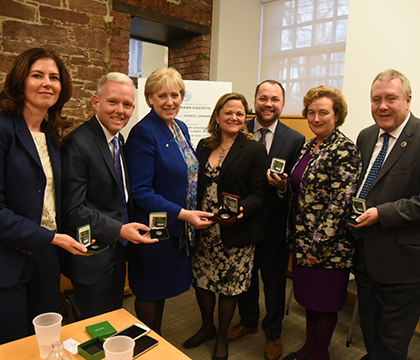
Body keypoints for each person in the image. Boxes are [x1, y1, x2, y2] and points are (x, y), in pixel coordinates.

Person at [0, 48, 89, 347]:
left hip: (43, 262)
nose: (47, 83)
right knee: (13, 351)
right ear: (19, 81)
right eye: (37, 75)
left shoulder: (52, 137)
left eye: (54, 77)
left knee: (44, 345)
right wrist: (52, 238)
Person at [351, 69, 420, 360]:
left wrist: (382, 213)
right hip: (366, 257)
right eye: (376, 99)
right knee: (369, 331)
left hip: (405, 265)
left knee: (393, 343)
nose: (382, 106)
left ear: (408, 101)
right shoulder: (367, 136)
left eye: (391, 98)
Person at [124, 67, 214, 334]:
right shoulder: (143, 132)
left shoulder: (180, 127)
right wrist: (185, 214)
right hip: (155, 230)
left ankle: (156, 340)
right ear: (149, 97)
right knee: (150, 291)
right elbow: (140, 191)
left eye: (175, 95)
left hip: (177, 228)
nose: (170, 101)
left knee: (161, 290)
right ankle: (150, 343)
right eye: (161, 95)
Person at [61, 72, 158, 319]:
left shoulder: (118, 139)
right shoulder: (78, 142)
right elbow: (73, 209)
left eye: (127, 105)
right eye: (112, 102)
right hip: (92, 254)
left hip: (117, 250)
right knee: (94, 326)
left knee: (113, 316)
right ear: (96, 102)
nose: (120, 111)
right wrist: (119, 229)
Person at [275, 85, 362, 360]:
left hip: (328, 245)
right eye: (311, 112)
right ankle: (308, 348)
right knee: (310, 300)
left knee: (324, 303)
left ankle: (319, 354)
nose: (316, 118)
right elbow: (300, 189)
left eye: (323, 112)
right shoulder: (309, 146)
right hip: (302, 239)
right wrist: (282, 185)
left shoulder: (345, 149)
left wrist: (317, 247)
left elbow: (340, 204)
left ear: (337, 115)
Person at [183, 92, 268, 360]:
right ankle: (207, 327)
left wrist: (242, 210)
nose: (234, 117)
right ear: (217, 116)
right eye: (228, 112)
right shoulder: (203, 145)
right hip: (204, 228)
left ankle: (222, 336)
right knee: (203, 281)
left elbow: (258, 193)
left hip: (236, 230)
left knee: (229, 286)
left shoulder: (253, 149)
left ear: (245, 119)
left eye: (240, 114)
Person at [228, 80, 305, 360]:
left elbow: (298, 184)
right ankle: (248, 321)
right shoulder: (237, 130)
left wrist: (282, 186)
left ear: (283, 104)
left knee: (273, 284)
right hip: (242, 221)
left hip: (274, 226)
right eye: (263, 98)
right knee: (245, 280)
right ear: (254, 102)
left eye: (274, 99)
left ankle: (273, 333)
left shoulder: (295, 139)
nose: (268, 104)